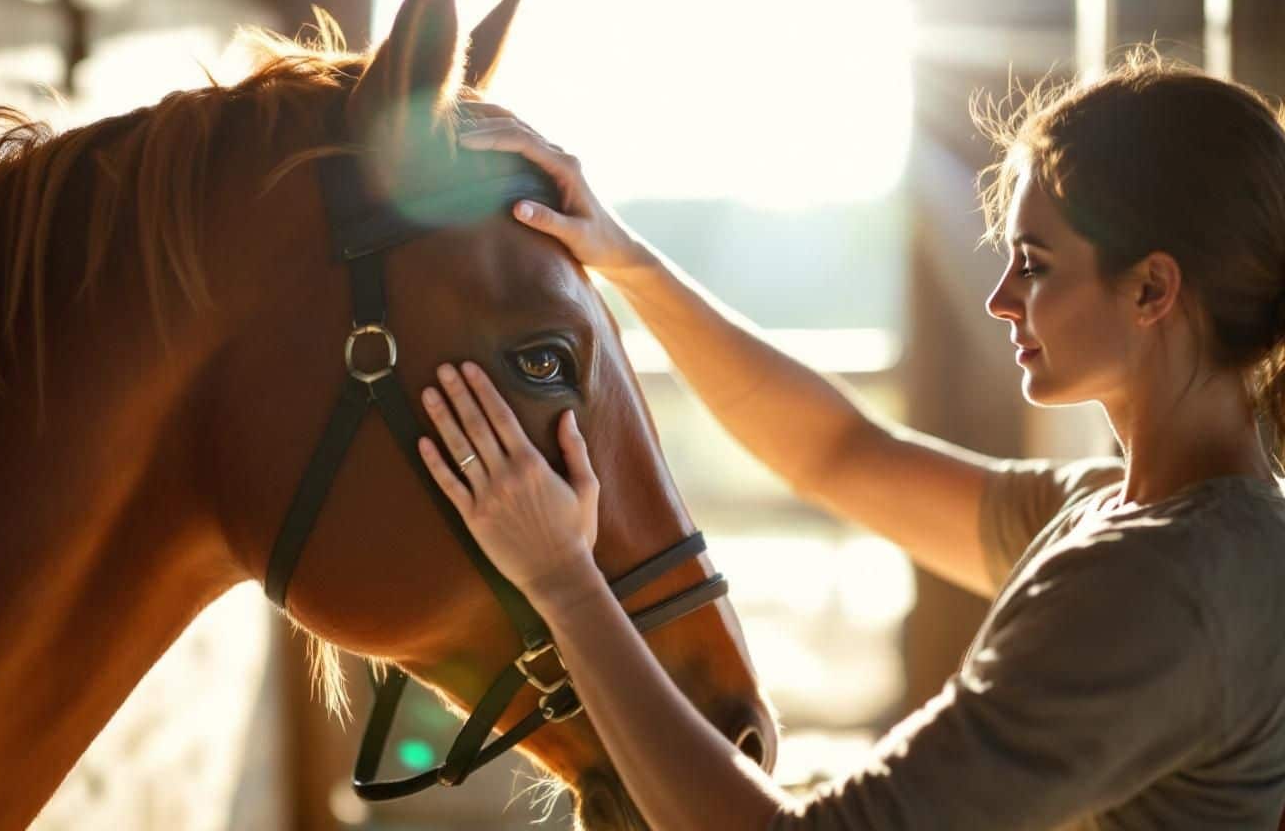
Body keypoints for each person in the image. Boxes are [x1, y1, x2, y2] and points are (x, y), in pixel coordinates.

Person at [413, 51, 1285, 829]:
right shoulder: (1121, 514)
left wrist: (564, 581)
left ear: (1151, 290)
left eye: (1036, 264)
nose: (1002, 299)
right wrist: (627, 259)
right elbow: (840, 453)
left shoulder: (1162, 588)